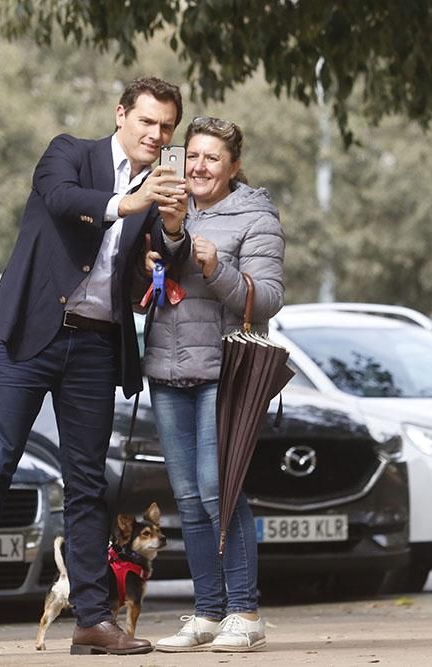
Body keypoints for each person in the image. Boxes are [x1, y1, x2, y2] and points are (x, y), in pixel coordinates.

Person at [0, 77, 189, 658]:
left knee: (86, 484)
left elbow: (162, 260)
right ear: (121, 115)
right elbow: (61, 200)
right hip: (32, 335)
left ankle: (93, 620)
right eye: (147, 122)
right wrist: (129, 203)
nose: (157, 135)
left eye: (167, 127)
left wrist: (170, 227)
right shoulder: (69, 154)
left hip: (98, 344)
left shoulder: (158, 189)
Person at [142, 116, 285, 653]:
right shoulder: (163, 208)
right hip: (166, 367)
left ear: (234, 167)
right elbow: (140, 282)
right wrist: (147, 262)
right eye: (192, 156)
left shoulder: (256, 217)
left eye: (212, 159)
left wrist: (217, 266)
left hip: (223, 372)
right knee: (185, 497)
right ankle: (206, 612)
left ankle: (244, 612)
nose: (198, 167)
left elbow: (268, 298)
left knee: (217, 491)